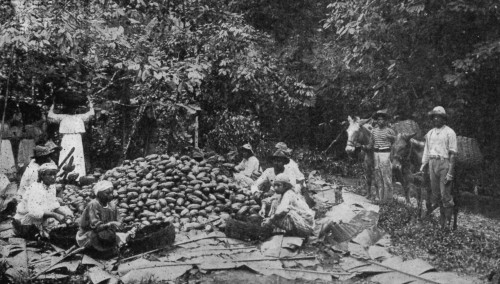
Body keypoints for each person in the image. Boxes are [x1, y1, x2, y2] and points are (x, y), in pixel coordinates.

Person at [419, 106, 457, 228]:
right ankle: (441, 221)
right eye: (434, 117)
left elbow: (452, 154)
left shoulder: (450, 132)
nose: (436, 119)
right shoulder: (430, 133)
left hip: (444, 163)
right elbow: (426, 150)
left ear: (443, 119)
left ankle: (447, 224)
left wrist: (450, 172)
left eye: (439, 117)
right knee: (436, 194)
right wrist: (423, 164)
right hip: (432, 163)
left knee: (445, 194)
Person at [13, 163, 73, 238]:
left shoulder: (51, 187)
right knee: (47, 234)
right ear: (42, 175)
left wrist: (66, 214)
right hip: (25, 220)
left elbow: (54, 205)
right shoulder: (35, 188)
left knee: (66, 211)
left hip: (40, 217)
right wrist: (54, 215)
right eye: (50, 175)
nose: (53, 177)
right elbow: (34, 212)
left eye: (54, 174)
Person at [76, 181, 135, 254]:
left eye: (111, 192)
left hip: (107, 234)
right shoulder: (93, 205)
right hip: (88, 235)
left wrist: (123, 226)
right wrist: (111, 224)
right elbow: (96, 227)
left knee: (119, 236)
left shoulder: (112, 205)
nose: (111, 195)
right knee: (102, 237)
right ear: (98, 194)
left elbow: (118, 221)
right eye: (107, 193)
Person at [48, 99, 94, 180]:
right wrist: (53, 104)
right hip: (67, 139)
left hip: (76, 138)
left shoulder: (78, 117)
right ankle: (64, 176)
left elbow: (91, 114)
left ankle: (78, 176)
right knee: (66, 155)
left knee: (77, 155)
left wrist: (90, 103)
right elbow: (50, 116)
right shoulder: (65, 117)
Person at [359, 110, 396, 201]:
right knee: (378, 176)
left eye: (382, 120)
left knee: (386, 177)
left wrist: (392, 140)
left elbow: (396, 144)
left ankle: (388, 199)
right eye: (378, 119)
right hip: (376, 154)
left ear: (386, 121)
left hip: (385, 154)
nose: (380, 121)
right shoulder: (374, 131)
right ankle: (380, 198)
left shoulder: (390, 131)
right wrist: (362, 146)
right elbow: (370, 145)